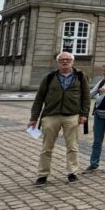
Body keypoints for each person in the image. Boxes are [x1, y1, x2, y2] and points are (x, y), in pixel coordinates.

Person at [28, 53, 90, 185]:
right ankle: (42, 174)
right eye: (62, 60)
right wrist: (34, 118)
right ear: (57, 62)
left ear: (73, 62)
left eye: (68, 60)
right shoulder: (49, 77)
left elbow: (86, 97)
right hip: (51, 115)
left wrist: (84, 114)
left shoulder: (80, 76)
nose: (65, 62)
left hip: (72, 115)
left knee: (72, 146)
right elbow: (39, 98)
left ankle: (72, 172)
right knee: (47, 147)